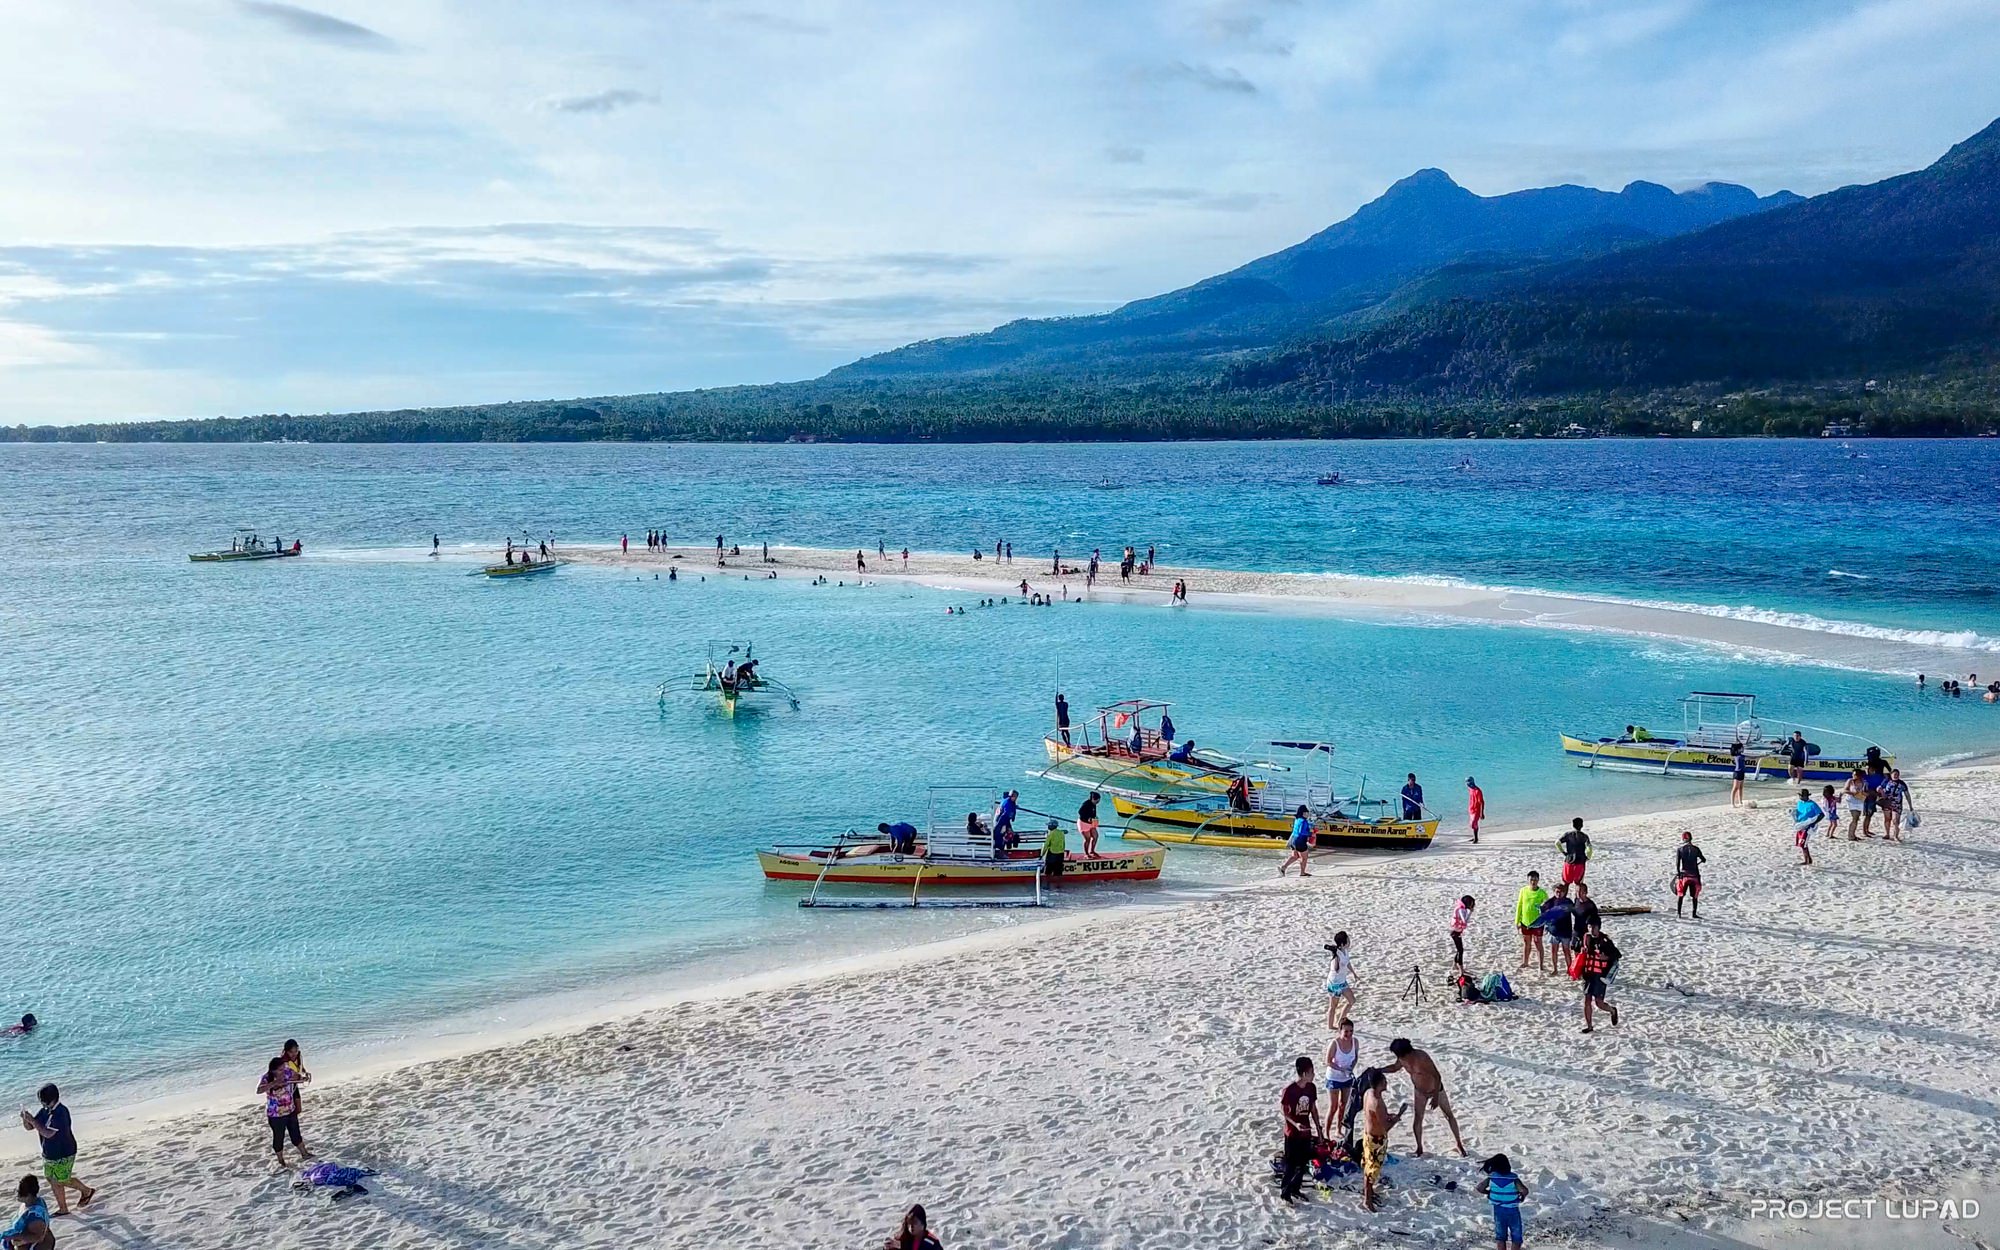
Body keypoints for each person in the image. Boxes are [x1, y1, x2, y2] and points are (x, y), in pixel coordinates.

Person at [1381, 1038, 1466, 1157]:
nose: (1401, 1059)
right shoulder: (1402, 1058)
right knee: (1418, 1118)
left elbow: (1437, 1076)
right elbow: (1395, 1067)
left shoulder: (1422, 1058)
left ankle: (1459, 1143)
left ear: (1409, 1053)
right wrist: (1380, 1070)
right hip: (1420, 1091)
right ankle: (1419, 1148)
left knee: (1448, 1114)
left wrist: (1436, 1096)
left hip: (1435, 1089)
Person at [20, 1085, 93, 1213]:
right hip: (49, 1153)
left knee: (62, 1179)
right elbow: (31, 1127)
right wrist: (26, 1120)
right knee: (51, 1178)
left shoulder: (61, 1113)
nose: (41, 1102)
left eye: (42, 1099)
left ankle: (86, 1191)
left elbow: (47, 1133)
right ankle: (63, 1208)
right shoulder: (45, 1110)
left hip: (64, 1152)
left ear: (50, 1099)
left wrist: (33, 1120)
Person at [1357, 1069, 1401, 1211]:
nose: (1386, 1082)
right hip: (1376, 1140)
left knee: (1368, 1166)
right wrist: (1396, 1119)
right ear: (1380, 1083)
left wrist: (1388, 1116)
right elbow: (1386, 1127)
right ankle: (1367, 1200)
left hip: (1368, 1135)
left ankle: (1368, 1194)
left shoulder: (1368, 1093)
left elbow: (1376, 1116)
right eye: (1384, 1080)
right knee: (1372, 1170)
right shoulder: (1377, 1102)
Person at [1278, 1056, 1319, 1203]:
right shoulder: (1290, 1090)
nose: (1314, 1074)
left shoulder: (1311, 1088)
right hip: (1292, 1134)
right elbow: (1285, 1112)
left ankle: (1295, 1189)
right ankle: (1285, 1192)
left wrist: (1319, 1131)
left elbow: (1313, 1110)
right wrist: (1296, 1124)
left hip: (1306, 1133)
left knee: (1302, 1164)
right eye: (1311, 1071)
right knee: (1290, 1164)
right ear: (1304, 1073)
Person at [259, 1054, 311, 1166]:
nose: (283, 1070)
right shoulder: (266, 1077)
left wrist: (302, 1078)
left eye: (284, 1067)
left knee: (296, 1133)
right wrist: (274, 1083)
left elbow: (297, 1077)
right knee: (279, 1136)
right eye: (280, 1069)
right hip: (276, 1114)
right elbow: (259, 1090)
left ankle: (304, 1153)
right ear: (273, 1070)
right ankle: (281, 1160)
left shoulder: (287, 1071)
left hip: (290, 1109)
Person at [1477, 1153, 1531, 1250]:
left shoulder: (1491, 1178)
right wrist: (1522, 1196)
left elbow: (1479, 1188)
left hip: (1498, 1210)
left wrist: (1488, 1192)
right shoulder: (1513, 1178)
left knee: (1500, 1236)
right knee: (1516, 1236)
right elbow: (1524, 1190)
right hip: (1512, 1210)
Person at [1577, 920, 1621, 1033]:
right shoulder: (1586, 938)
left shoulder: (1605, 941)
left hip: (1599, 976)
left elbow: (1617, 955)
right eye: (1590, 926)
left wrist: (1605, 957)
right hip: (1588, 974)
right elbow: (1578, 950)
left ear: (1598, 928)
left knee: (1599, 1003)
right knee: (1587, 1000)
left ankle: (1612, 1010)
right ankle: (1589, 1026)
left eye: (1594, 927)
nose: (1591, 929)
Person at [1322, 1019, 1359, 1139]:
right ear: (1340, 1031)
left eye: (1351, 1031)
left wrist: (1351, 1068)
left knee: (1344, 1104)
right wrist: (1341, 1069)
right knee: (1333, 1107)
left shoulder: (1355, 1042)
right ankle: (1326, 1133)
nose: (1349, 1034)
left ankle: (1338, 1129)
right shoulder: (1334, 1043)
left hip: (1347, 1078)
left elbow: (1355, 1057)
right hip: (1334, 1077)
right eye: (1346, 1031)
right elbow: (1328, 1062)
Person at [2, 1177, 52, 1250]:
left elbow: (38, 1237)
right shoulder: (35, 1201)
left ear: (28, 1196)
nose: (16, 1193)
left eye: (19, 1192)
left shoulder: (34, 1215)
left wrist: (14, 1236)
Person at [1539, 883, 1576, 975]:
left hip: (1565, 931)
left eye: (1561, 892)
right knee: (1554, 950)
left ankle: (1569, 969)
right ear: (1554, 892)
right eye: (1557, 892)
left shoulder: (1568, 902)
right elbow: (1543, 913)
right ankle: (1555, 969)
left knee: (1566, 951)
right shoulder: (1550, 902)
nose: (1559, 894)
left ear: (1564, 892)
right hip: (1554, 931)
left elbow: (1575, 912)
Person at [1515, 872, 1548, 973]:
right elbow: (1519, 905)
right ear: (1528, 880)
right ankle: (1525, 962)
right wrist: (1517, 921)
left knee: (1538, 943)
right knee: (1526, 943)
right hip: (1525, 921)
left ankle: (1541, 965)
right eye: (1531, 880)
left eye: (1535, 880)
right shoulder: (1523, 890)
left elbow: (1547, 908)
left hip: (1538, 923)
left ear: (1538, 880)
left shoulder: (1542, 893)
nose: (1533, 882)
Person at [1324, 931, 1355, 1029]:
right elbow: (1335, 968)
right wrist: (1336, 960)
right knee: (1333, 1006)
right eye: (1347, 940)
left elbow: (1347, 963)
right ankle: (1330, 1026)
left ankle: (1340, 1021)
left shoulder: (1345, 951)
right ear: (1342, 943)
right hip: (1334, 983)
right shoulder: (1337, 955)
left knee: (1352, 1000)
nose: (1349, 941)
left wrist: (1354, 973)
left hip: (1342, 981)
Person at [1674, 830, 1706, 918]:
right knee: (1694, 896)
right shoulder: (1696, 849)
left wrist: (1678, 873)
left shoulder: (1680, 850)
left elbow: (1677, 863)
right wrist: (1701, 860)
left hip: (1684, 876)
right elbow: (1704, 859)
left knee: (1681, 895)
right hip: (1694, 876)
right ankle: (1694, 914)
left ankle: (1679, 914)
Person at [1279, 806, 1314, 877]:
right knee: (1304, 857)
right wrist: (1310, 834)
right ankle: (1302, 873)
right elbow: (1301, 832)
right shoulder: (1304, 821)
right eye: (1307, 813)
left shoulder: (1297, 819)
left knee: (1295, 856)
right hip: (1300, 841)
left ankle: (1283, 867)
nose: (1308, 814)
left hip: (1293, 840)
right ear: (1303, 813)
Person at [282, 1038, 311, 1117]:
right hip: (286, 1088)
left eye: (296, 1051)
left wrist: (305, 1073)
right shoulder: (283, 1062)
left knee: (298, 1109)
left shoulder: (298, 1056)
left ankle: (292, 1120)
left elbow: (301, 1067)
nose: (294, 1054)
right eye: (291, 1052)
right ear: (286, 1051)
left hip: (294, 1085)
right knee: (288, 1109)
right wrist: (300, 1078)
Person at [1558, 818, 1591, 886]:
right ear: (1582, 825)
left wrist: (1563, 852)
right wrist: (1588, 857)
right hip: (1580, 861)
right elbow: (1589, 848)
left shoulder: (1568, 835)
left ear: (1573, 825)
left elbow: (1557, 843)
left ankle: (1563, 896)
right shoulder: (1584, 836)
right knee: (1578, 883)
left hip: (1569, 860)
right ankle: (1577, 896)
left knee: (1566, 883)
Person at [1793, 788, 1821, 865]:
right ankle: (1809, 859)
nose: (1800, 797)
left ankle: (1807, 860)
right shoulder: (1799, 803)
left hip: (1808, 826)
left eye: (1801, 795)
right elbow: (1798, 813)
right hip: (1800, 825)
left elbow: (1821, 815)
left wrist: (1813, 823)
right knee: (1802, 843)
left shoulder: (1812, 804)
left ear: (1806, 796)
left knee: (1803, 843)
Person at [1882, 768, 1910, 842]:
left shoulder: (1902, 783)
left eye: (1897, 774)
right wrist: (1880, 791)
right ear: (1891, 775)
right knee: (1887, 819)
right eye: (1894, 774)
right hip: (1887, 803)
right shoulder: (1886, 781)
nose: (1895, 776)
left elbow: (1907, 794)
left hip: (1897, 804)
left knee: (1895, 821)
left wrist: (1910, 805)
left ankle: (1896, 836)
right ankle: (1887, 834)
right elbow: (1881, 790)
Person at [1841, 767, 1868, 840]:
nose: (1854, 776)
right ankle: (1850, 835)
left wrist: (1863, 793)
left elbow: (1867, 793)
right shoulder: (1850, 781)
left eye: (1856, 775)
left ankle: (1853, 834)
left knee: (1856, 818)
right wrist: (1852, 793)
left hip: (1860, 801)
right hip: (1851, 801)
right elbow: (1844, 790)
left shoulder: (1863, 782)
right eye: (1853, 774)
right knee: (1855, 818)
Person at [1449, 895, 1474, 969]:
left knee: (1459, 950)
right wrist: (1470, 912)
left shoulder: (1462, 909)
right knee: (1460, 951)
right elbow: (1464, 921)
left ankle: (1455, 965)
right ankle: (1461, 970)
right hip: (1455, 933)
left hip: (1457, 932)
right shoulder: (1461, 910)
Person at [992, 790, 1019, 855]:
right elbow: (1004, 816)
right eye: (1015, 797)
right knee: (999, 836)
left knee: (1010, 834)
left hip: (1002, 821)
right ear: (1012, 796)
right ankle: (999, 852)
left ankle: (1004, 849)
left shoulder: (1008, 801)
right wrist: (1006, 827)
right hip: (1000, 822)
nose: (1016, 798)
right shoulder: (1007, 804)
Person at [1077, 791, 1101, 857]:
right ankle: (1086, 854)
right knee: (1088, 839)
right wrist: (1088, 818)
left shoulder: (1094, 804)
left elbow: (1093, 812)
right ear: (1093, 799)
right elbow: (1080, 812)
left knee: (1095, 836)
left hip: (1091, 823)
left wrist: (1095, 818)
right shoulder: (1086, 804)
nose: (1097, 802)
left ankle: (1092, 851)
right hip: (1083, 823)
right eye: (1097, 801)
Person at [1466, 777, 1485, 843]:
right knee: (1472, 824)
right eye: (1466, 782)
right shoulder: (1470, 789)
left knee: (1473, 823)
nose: (1467, 783)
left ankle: (1476, 838)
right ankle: (1474, 837)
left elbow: (1482, 802)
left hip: (1477, 810)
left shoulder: (1478, 791)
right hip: (1471, 809)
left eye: (1468, 782)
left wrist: (1482, 813)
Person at [1730, 742, 1747, 807]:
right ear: (1739, 749)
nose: (1743, 749)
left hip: (1742, 772)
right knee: (1735, 788)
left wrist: (1761, 756)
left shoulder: (1742, 755)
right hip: (1737, 773)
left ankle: (1740, 801)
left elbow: (1752, 757)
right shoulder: (1737, 756)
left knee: (1740, 788)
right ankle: (1732, 803)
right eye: (1742, 748)